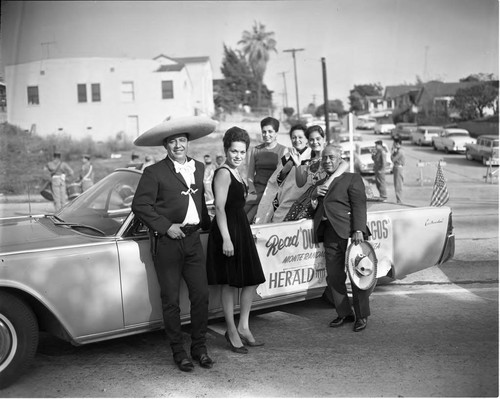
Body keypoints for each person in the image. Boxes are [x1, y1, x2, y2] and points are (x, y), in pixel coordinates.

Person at [131, 116, 216, 372]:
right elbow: (140, 206)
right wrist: (166, 227)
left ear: (188, 142)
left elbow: (199, 204)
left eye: (181, 140)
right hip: (167, 243)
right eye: (172, 142)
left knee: (201, 296)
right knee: (170, 300)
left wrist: (209, 225)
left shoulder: (199, 168)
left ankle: (199, 348)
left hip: (192, 241)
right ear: (165, 146)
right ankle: (179, 353)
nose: (178, 145)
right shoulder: (153, 172)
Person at [206, 126, 266, 353]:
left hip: (240, 228)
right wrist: (226, 239)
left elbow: (237, 202)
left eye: (242, 152)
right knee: (230, 284)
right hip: (228, 231)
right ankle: (231, 330)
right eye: (234, 151)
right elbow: (219, 207)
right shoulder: (223, 172)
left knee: (252, 279)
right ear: (225, 150)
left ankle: (243, 326)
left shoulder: (237, 172)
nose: (238, 156)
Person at [310, 144, 372, 332]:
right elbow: (312, 207)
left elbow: (359, 206)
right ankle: (344, 313)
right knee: (334, 276)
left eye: (331, 157)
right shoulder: (319, 183)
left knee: (358, 274)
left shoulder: (352, 178)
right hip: (330, 233)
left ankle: (361, 316)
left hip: (353, 234)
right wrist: (314, 195)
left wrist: (359, 230)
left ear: (339, 159)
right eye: (324, 158)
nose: (327, 161)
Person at [284, 125, 348, 221]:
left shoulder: (329, 158)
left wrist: (329, 181)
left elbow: (344, 164)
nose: (315, 142)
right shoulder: (308, 161)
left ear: (323, 139)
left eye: (318, 139)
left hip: (327, 199)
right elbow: (301, 183)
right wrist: (298, 165)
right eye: (311, 140)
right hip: (309, 199)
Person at [254, 124, 311, 224]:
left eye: (300, 137)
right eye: (294, 137)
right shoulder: (287, 156)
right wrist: (286, 168)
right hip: (283, 197)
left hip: (300, 199)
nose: (297, 140)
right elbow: (277, 179)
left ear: (307, 139)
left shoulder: (311, 156)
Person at [244, 117, 287, 223]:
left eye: (270, 131)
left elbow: (283, 175)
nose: (266, 134)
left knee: (247, 216)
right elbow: (249, 175)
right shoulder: (255, 150)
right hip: (256, 191)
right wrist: (252, 190)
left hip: (271, 192)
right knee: (244, 212)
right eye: (264, 132)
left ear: (276, 133)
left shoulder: (283, 150)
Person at [391, 138, 405, 203]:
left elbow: (393, 159)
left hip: (398, 168)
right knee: (396, 184)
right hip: (396, 168)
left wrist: (393, 152)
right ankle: (398, 199)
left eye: (394, 143)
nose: (393, 145)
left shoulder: (400, 151)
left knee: (398, 185)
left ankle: (399, 200)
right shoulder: (398, 151)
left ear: (397, 144)